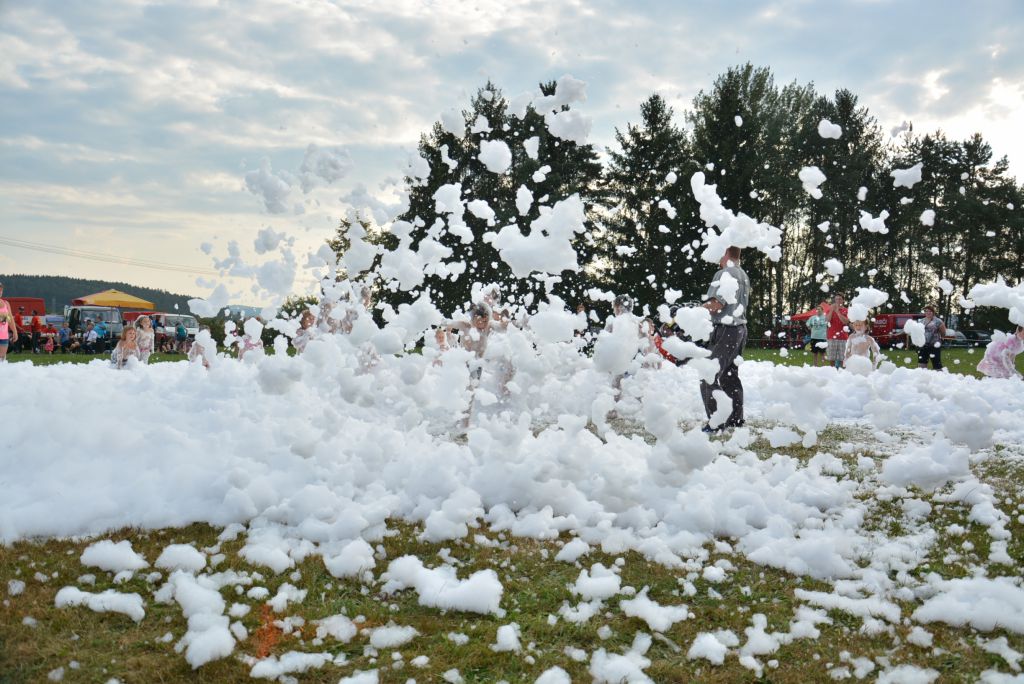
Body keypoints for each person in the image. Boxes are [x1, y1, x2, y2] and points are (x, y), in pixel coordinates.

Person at [700, 246, 750, 432]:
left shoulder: (724, 273)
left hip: (725, 329)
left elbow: (717, 304)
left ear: (725, 252)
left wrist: (695, 311)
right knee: (730, 376)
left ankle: (716, 422)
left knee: (708, 374)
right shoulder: (743, 274)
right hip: (740, 329)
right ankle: (735, 419)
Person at [918, 304, 946, 370]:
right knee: (922, 363)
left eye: (930, 311)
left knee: (937, 364)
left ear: (933, 312)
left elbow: (943, 332)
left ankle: (939, 375)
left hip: (934, 345)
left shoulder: (938, 321)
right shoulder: (921, 321)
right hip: (923, 345)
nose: (928, 312)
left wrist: (942, 338)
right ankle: (922, 375)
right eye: (926, 311)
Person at [826, 294, 850, 369]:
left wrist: (837, 312)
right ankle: (832, 372)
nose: (838, 301)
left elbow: (846, 322)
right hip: (831, 336)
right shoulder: (830, 309)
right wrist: (832, 310)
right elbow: (827, 320)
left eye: (840, 299)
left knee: (843, 358)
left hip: (843, 337)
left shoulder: (846, 310)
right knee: (831, 358)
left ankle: (841, 372)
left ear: (843, 300)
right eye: (836, 299)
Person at [0, 282, 17, 362]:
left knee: (2, 358)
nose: (0, 291)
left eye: (1, 289)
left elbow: (11, 320)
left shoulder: (6, 303)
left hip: (4, 336)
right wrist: (4, 317)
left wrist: (15, 332)